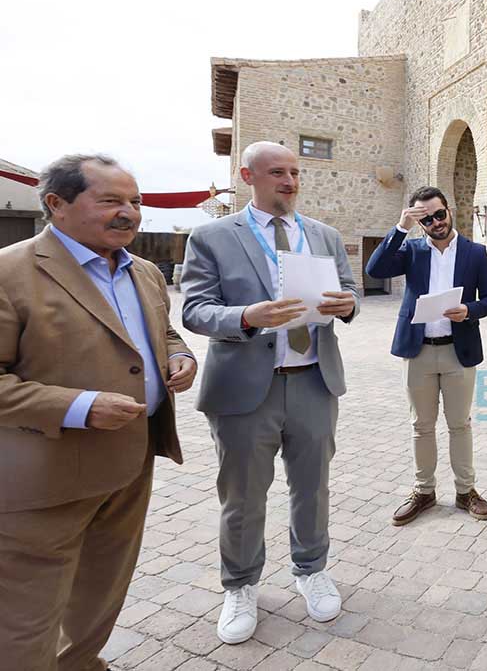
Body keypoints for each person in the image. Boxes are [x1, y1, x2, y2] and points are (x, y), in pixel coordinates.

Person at [0, 154, 196, 670]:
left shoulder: (144, 271)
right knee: (27, 617)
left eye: (135, 201)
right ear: (56, 204)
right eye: (110, 200)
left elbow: (162, 331)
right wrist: (78, 406)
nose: (128, 212)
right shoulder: (9, 272)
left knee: (102, 593)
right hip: (45, 477)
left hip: (130, 465)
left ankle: (81, 663)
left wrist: (180, 355)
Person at [181, 141, 359, 645]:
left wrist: (347, 305)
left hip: (314, 382)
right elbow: (195, 309)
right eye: (278, 172)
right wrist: (245, 316)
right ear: (248, 176)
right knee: (242, 496)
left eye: (295, 172)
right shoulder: (212, 236)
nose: (290, 181)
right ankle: (240, 585)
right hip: (244, 390)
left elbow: (350, 292)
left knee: (313, 488)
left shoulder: (323, 235)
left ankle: (311, 570)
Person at [365, 186, 487, 524]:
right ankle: (424, 491)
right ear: (419, 222)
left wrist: (468, 310)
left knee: (460, 425)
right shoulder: (411, 250)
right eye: (426, 219)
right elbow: (375, 269)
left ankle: (466, 491)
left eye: (440, 214)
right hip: (418, 351)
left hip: (458, 351)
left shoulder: (475, 253)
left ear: (448, 210)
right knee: (421, 426)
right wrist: (401, 227)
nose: (436, 222)